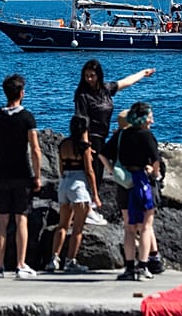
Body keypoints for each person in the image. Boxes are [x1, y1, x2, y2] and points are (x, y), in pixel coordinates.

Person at [74, 59, 155, 225]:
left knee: (98, 173)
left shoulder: (106, 89)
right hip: (90, 137)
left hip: (103, 137)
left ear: (98, 75)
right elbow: (81, 121)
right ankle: (87, 210)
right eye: (86, 76)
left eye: (92, 76)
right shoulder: (82, 95)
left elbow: (126, 82)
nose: (89, 79)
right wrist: (85, 145)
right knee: (91, 173)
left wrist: (143, 73)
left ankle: (89, 208)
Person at [0, 74, 42, 279]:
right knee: (21, 218)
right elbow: (34, 149)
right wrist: (37, 175)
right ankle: (20, 264)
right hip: (22, 173)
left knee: (2, 220)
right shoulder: (27, 118)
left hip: (2, 173)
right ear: (22, 93)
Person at [45, 115, 100, 273]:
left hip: (64, 183)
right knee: (77, 228)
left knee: (62, 225)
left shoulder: (63, 144)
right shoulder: (84, 147)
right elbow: (89, 172)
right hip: (78, 184)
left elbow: (61, 167)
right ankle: (70, 261)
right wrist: (95, 195)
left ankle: (54, 259)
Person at [114, 102, 161, 281]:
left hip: (124, 185)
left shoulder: (122, 135)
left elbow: (103, 154)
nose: (152, 120)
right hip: (141, 182)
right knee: (145, 227)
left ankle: (129, 267)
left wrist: (113, 172)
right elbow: (156, 159)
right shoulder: (146, 135)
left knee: (129, 228)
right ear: (143, 118)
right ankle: (143, 266)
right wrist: (155, 173)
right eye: (150, 116)